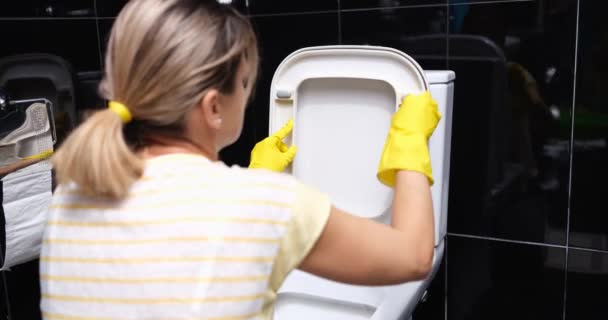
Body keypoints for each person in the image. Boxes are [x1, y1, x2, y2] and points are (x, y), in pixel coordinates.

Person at [41, 0, 441, 319]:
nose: (248, 97)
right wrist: (407, 143)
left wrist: (252, 180)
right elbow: (414, 256)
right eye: (246, 83)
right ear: (213, 107)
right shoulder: (264, 206)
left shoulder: (69, 199)